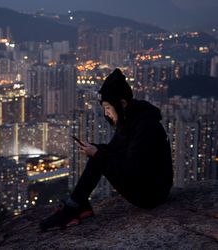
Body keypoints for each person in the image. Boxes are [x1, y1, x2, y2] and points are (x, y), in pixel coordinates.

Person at [39, 68, 173, 231]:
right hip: (146, 185)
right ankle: (78, 205)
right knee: (98, 153)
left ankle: (72, 208)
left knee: (98, 157)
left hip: (151, 194)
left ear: (122, 104)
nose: (106, 114)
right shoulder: (131, 119)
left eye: (108, 108)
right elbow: (114, 150)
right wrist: (95, 149)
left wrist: (97, 153)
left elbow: (132, 169)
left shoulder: (145, 126)